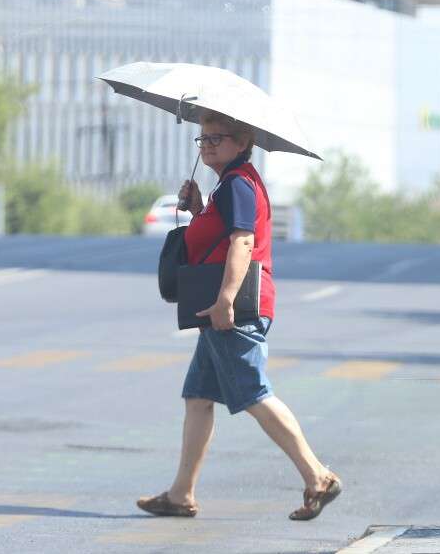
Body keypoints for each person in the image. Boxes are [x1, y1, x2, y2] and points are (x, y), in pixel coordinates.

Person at [137, 111, 342, 521]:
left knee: (253, 393)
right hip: (220, 308)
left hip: (234, 309)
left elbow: (243, 242)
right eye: (203, 139)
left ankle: (317, 475)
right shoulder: (227, 187)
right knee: (198, 397)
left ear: (243, 142)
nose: (208, 144)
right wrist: (197, 210)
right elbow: (219, 240)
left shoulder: (238, 185)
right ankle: (181, 494)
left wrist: (227, 300)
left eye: (218, 137)